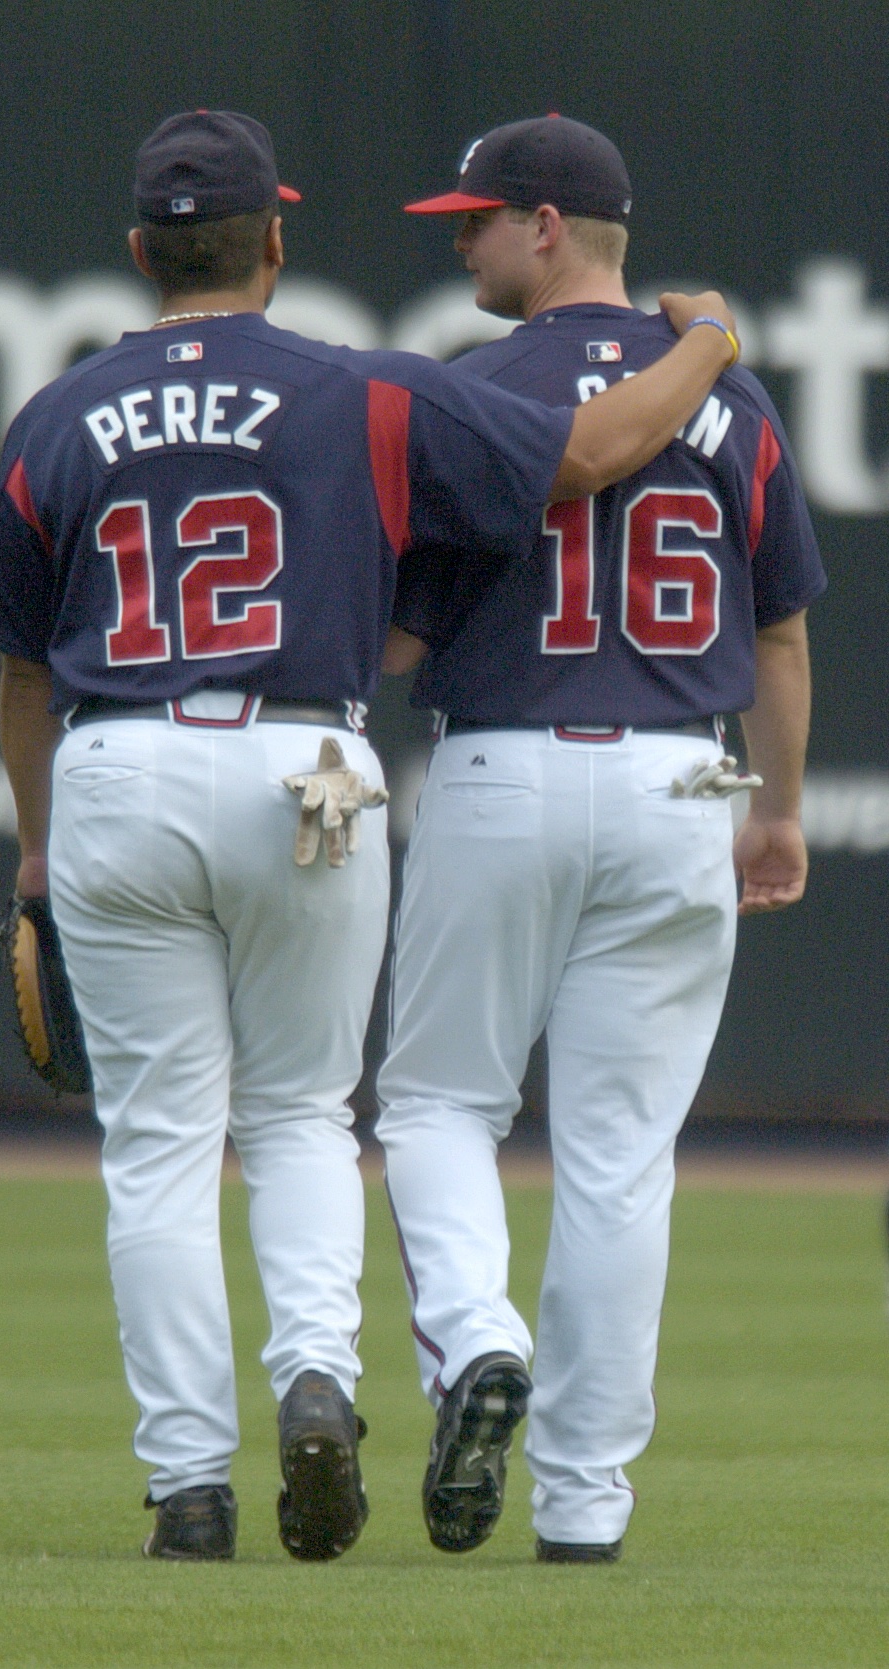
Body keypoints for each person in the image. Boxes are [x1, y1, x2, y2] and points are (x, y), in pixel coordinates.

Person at [0, 107, 741, 1564]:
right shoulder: (370, 393)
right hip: (303, 765)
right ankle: (317, 1373)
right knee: (304, 1116)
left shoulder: (55, 417)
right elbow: (587, 456)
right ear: (275, 241)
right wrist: (702, 340)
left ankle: (190, 1486)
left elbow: (19, 666)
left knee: (155, 1148)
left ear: (141, 252)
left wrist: (33, 852)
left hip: (115, 765)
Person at [377, 115, 826, 1564]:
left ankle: (479, 1337)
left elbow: (397, 636)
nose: (461, 241)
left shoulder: (472, 388)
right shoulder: (738, 403)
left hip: (506, 764)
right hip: (680, 783)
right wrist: (777, 805)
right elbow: (777, 631)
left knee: (438, 1106)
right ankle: (582, 1505)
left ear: (548, 225)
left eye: (477, 219)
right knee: (620, 1157)